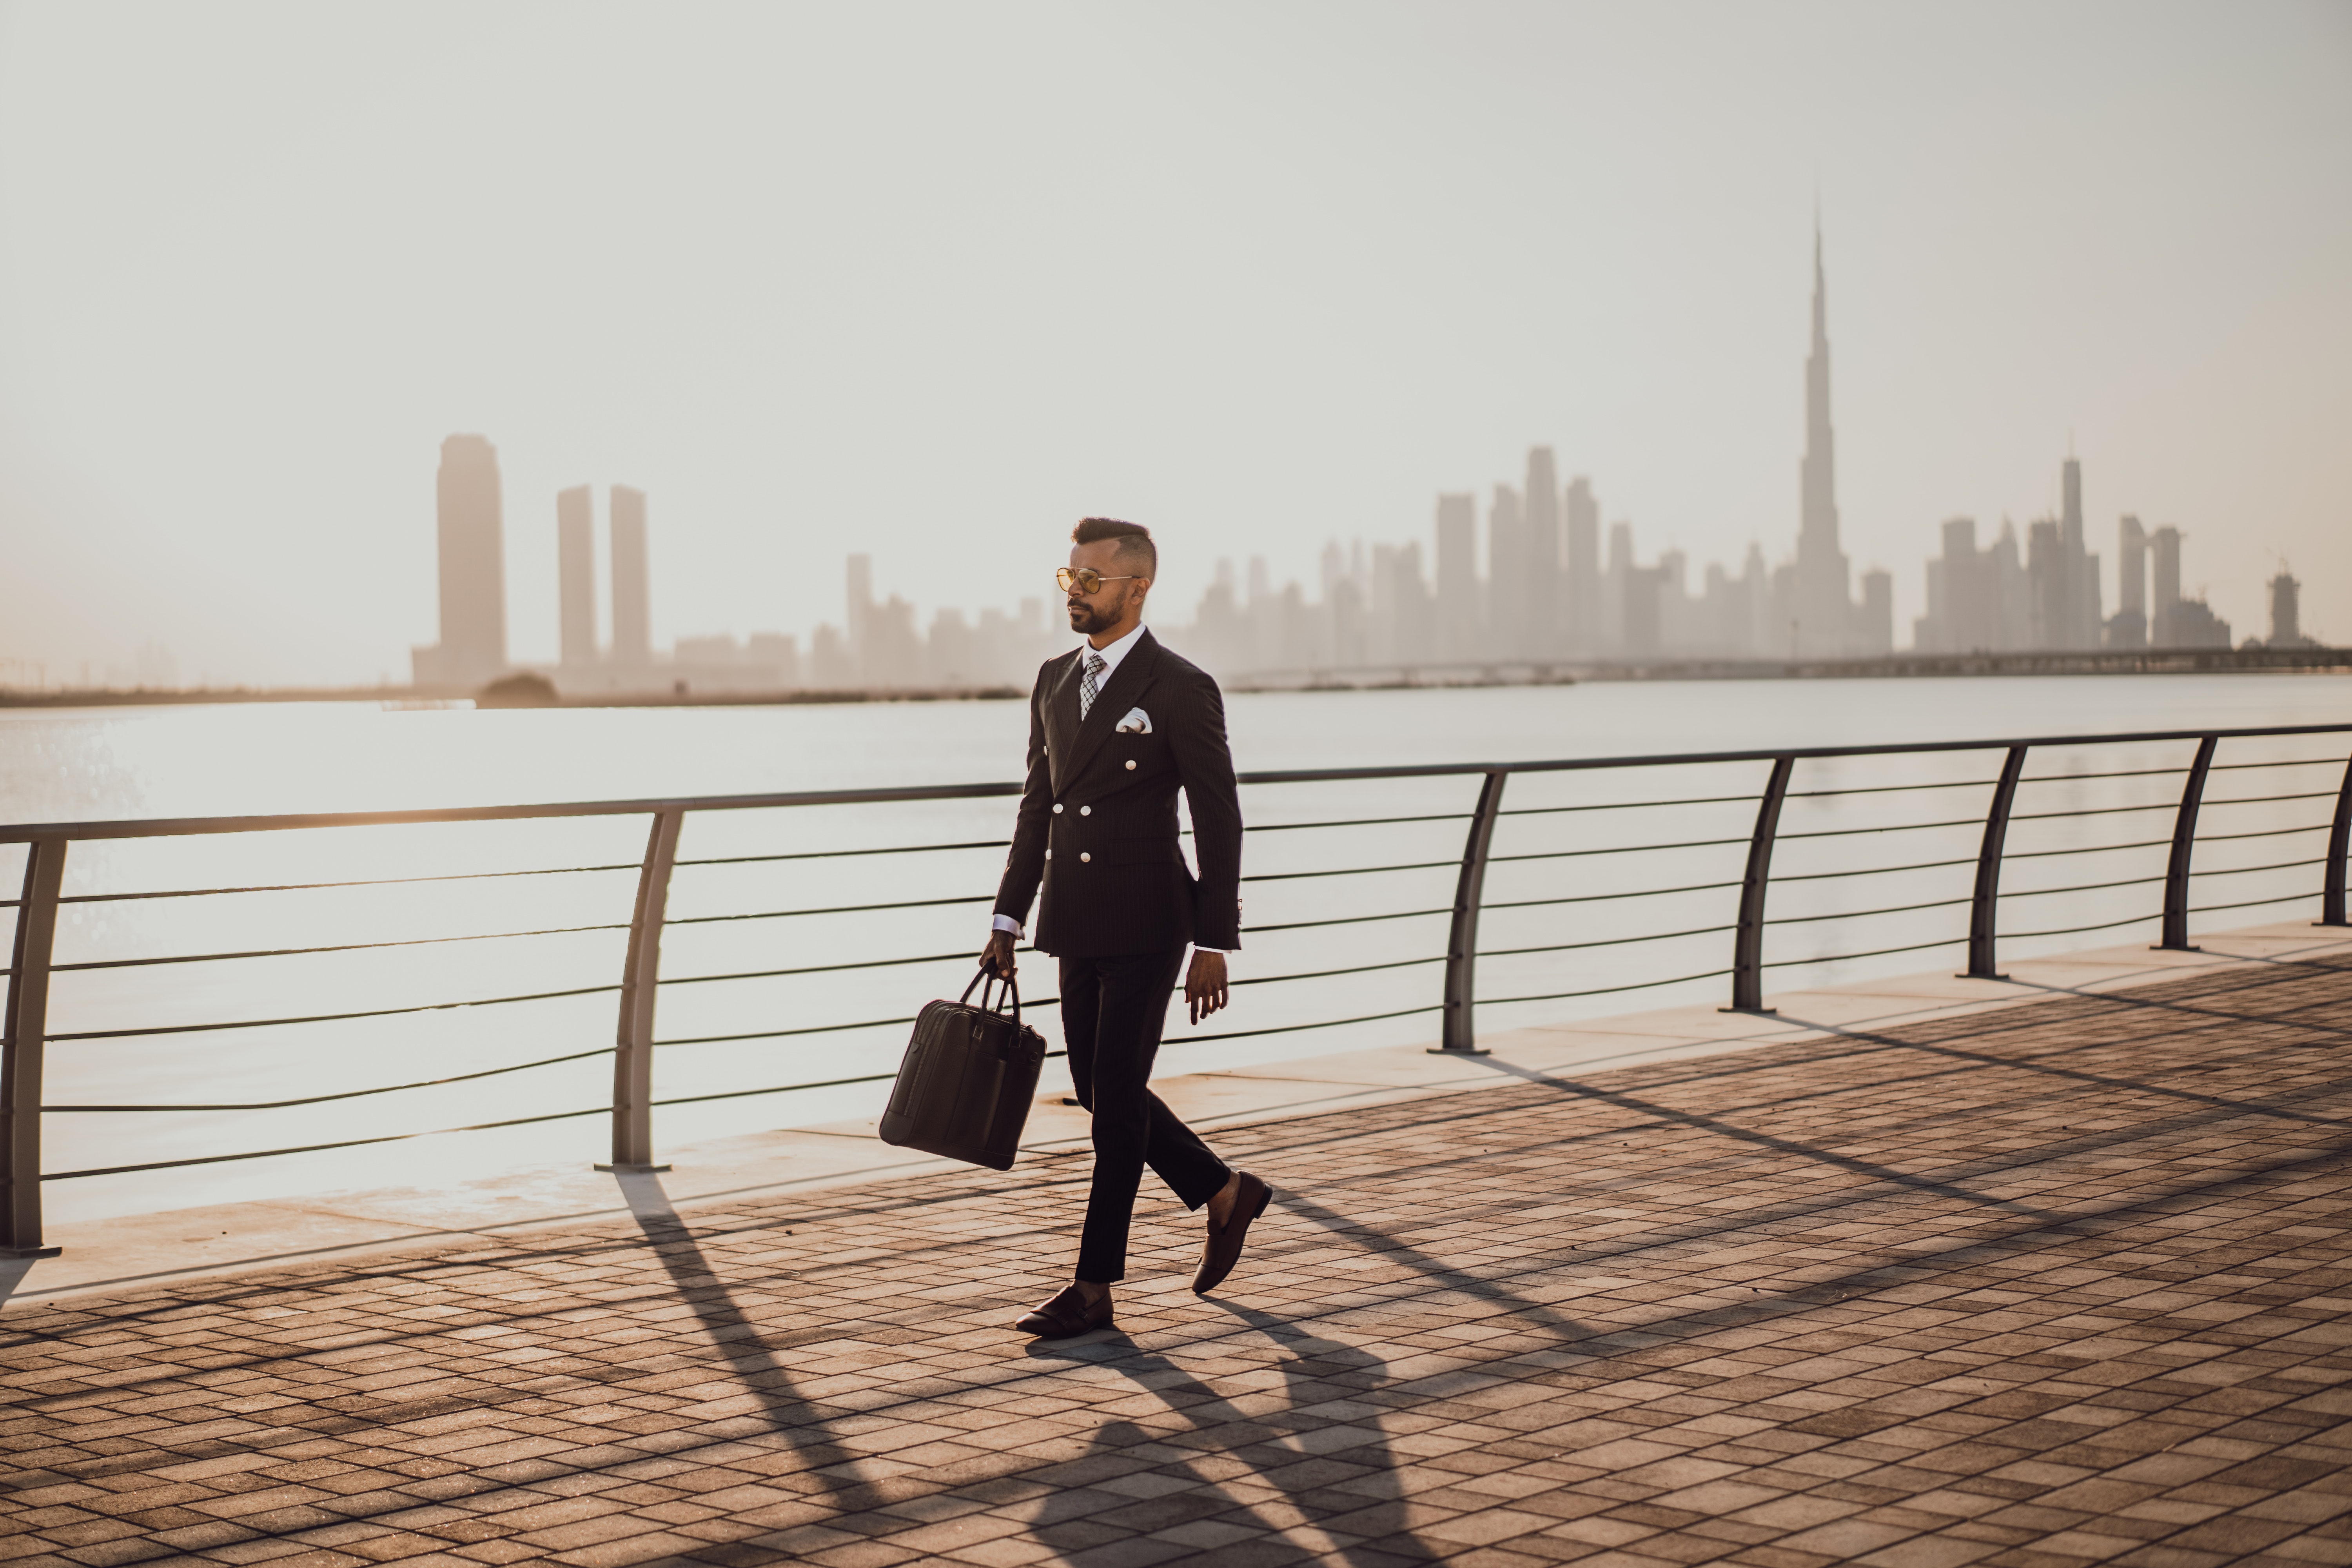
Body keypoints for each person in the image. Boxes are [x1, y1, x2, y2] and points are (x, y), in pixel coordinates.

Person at [982, 517, 1272, 1339]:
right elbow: (1037, 806)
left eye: (1091, 580)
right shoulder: (1050, 679)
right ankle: (1224, 1190)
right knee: (1103, 1088)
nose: (1075, 591)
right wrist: (1008, 914)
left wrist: (1214, 939)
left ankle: (1093, 1287)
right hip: (1072, 920)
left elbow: (1219, 818)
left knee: (1113, 1106)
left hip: (1151, 920)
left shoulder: (1180, 685)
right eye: (1068, 577)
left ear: (1137, 587)